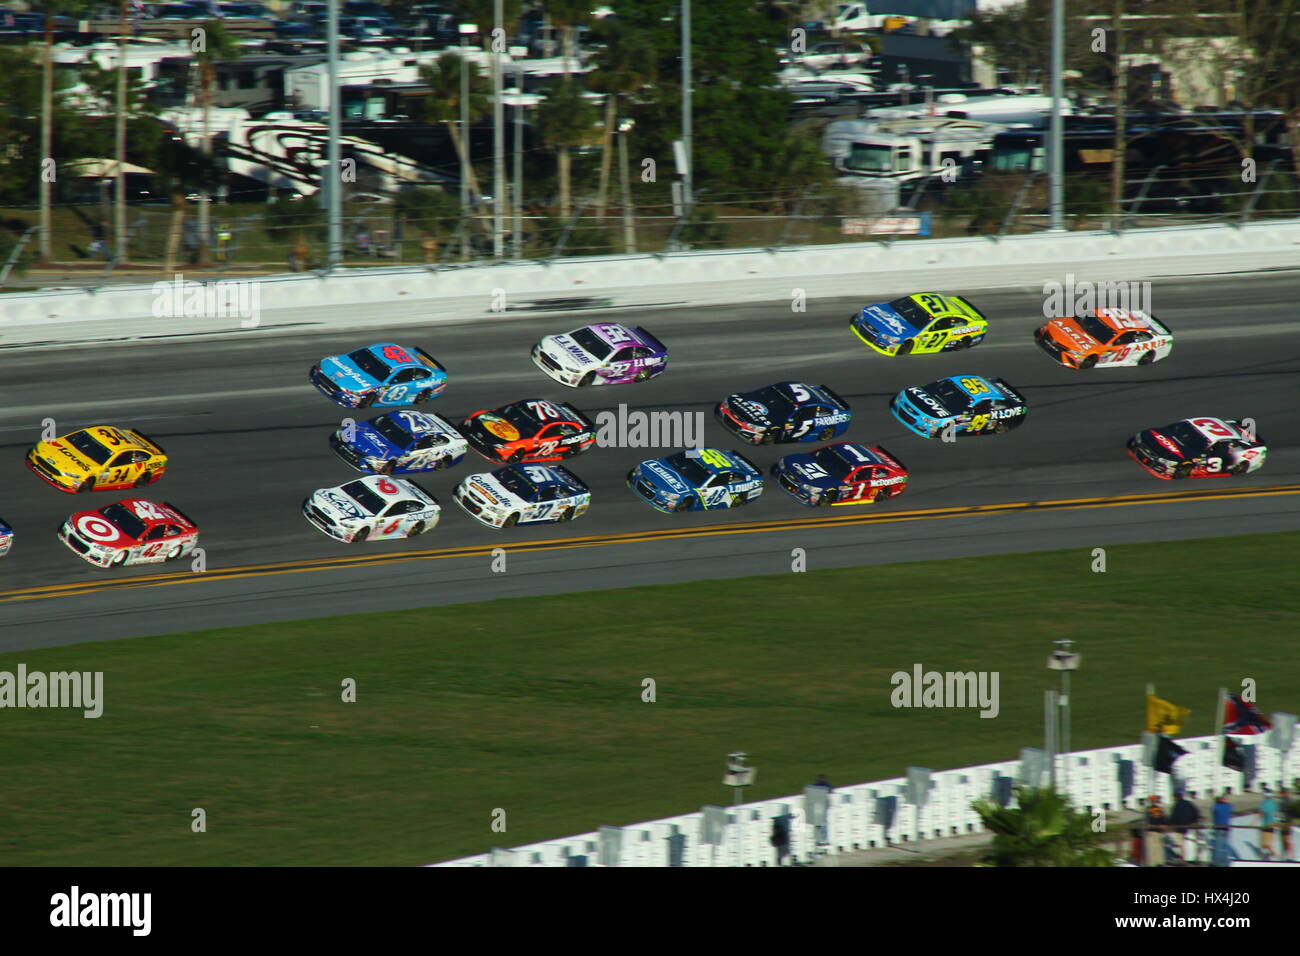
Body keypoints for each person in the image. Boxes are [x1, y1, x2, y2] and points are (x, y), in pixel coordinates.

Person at [1169, 789, 1201, 864]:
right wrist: (1194, 821)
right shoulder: (1188, 803)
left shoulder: (1176, 805)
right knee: (1191, 842)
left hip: (1180, 827)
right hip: (1190, 826)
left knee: (1180, 844)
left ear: (1176, 797)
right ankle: (1193, 858)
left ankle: (1182, 859)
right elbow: (1196, 812)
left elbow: (1174, 817)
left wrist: (1172, 824)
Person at [1143, 796, 1166, 866]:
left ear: (1150, 801)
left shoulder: (1148, 809)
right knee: (1159, 847)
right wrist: (1163, 825)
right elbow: (1163, 818)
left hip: (1151, 830)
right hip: (1159, 830)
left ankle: (1152, 863)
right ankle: (1160, 862)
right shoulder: (1159, 809)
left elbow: (1147, 819)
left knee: (1151, 848)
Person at [1212, 792, 1233, 867]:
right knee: (1225, 846)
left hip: (1218, 828)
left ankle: (1217, 863)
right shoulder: (1228, 806)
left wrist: (1217, 801)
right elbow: (1230, 811)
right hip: (1226, 827)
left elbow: (1213, 811)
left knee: (1218, 846)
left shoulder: (1216, 806)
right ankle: (1225, 862)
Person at [1259, 786, 1279, 860]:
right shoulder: (1274, 803)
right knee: (1267, 843)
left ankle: (1275, 855)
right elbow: (1276, 813)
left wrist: (1253, 823)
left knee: (1266, 844)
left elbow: (1260, 813)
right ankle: (1269, 855)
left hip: (1266, 825)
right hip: (1272, 825)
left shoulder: (1264, 803)